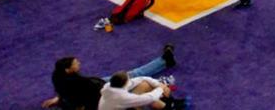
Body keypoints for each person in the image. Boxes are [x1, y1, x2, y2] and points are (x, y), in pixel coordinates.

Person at [43, 47, 176, 110]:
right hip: (97, 89)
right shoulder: (78, 84)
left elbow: (66, 93)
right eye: (75, 63)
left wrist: (58, 99)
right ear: (68, 69)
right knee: (135, 75)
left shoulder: (59, 77)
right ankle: (164, 61)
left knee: (135, 75)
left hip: (95, 86)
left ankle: (164, 61)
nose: (79, 64)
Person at [96, 72, 171, 109]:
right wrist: (161, 88)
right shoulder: (121, 97)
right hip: (122, 105)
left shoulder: (110, 85)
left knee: (144, 84)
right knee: (150, 96)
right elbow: (150, 98)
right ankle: (168, 106)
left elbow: (141, 78)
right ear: (124, 83)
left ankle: (168, 104)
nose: (130, 81)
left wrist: (159, 85)